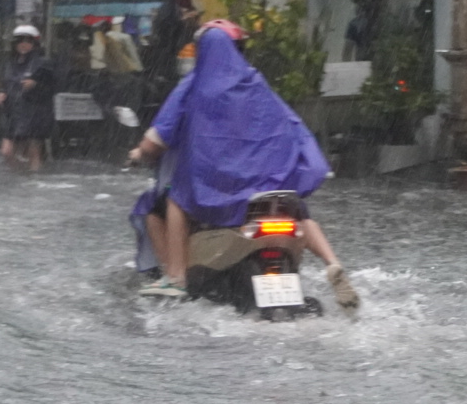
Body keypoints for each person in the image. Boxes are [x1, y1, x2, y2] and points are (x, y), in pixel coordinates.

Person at [127, 20, 359, 308]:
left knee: (175, 198)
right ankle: (331, 263)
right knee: (294, 206)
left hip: (216, 195)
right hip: (264, 193)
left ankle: (175, 277)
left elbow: (155, 142)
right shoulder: (256, 83)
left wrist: (139, 154)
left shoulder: (195, 84)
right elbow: (293, 129)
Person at [0, 24, 56, 172]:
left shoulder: (43, 63)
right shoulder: (9, 64)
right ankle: (20, 176)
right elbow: (4, 83)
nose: (23, 44)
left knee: (33, 152)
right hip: (13, 113)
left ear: (34, 43)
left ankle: (33, 181)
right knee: (6, 152)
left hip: (34, 113)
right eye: (20, 40)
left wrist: (36, 84)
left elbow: (53, 87)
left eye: (28, 40)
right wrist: (1, 93)